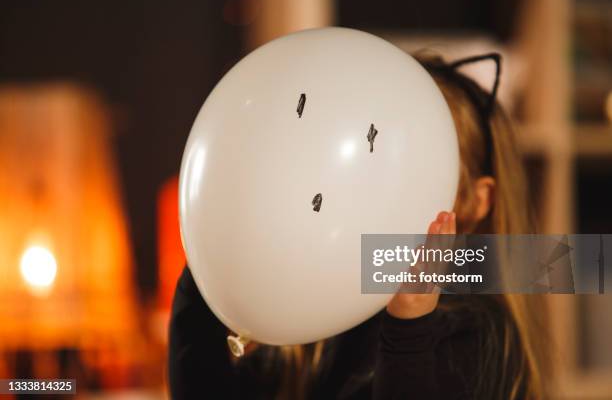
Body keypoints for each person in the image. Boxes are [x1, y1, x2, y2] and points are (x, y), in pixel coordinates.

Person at [168, 54, 549, 399]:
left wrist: (410, 328)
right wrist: (204, 273)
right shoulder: (313, 323)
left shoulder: (478, 333)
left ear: (475, 202)